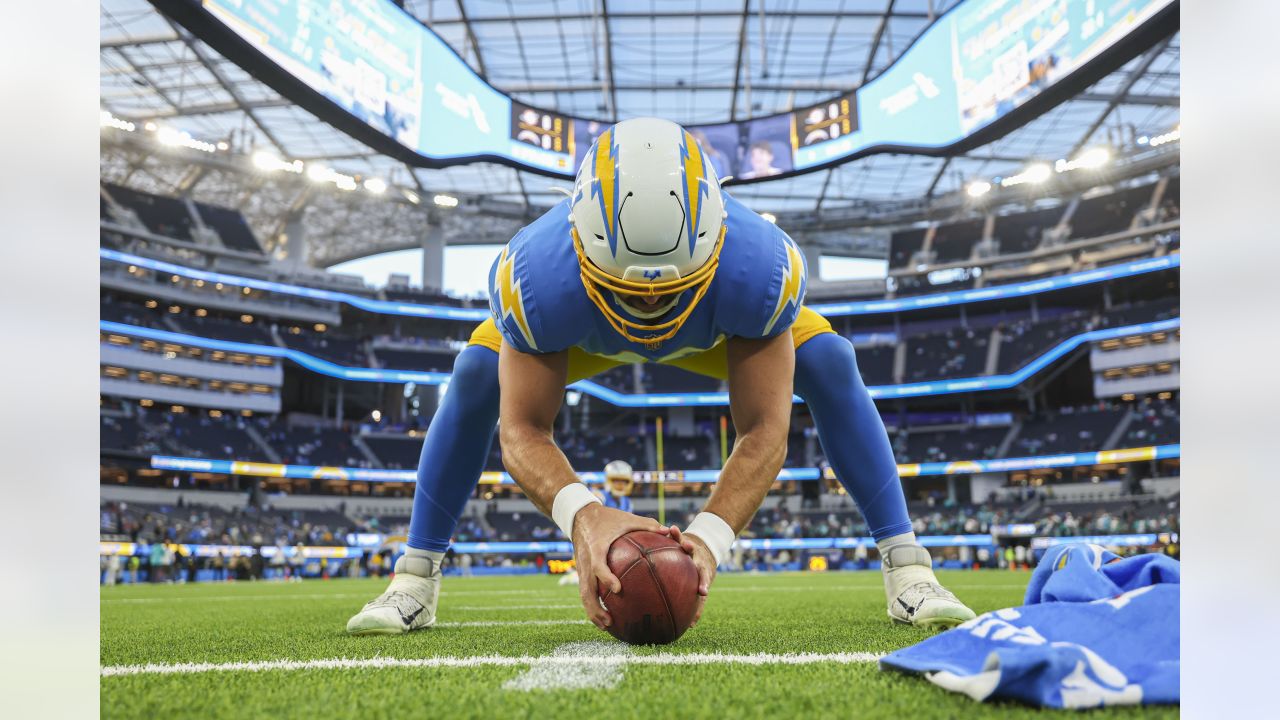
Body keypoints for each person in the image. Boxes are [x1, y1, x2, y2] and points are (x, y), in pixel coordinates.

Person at [346, 117, 974, 636]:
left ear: (717, 236)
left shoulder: (757, 270)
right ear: (581, 238)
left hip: (712, 328)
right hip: (590, 331)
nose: (648, 306)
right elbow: (522, 432)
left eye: (667, 290)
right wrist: (586, 516)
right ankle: (415, 577)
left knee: (831, 360)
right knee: (477, 371)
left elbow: (765, 430)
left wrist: (707, 538)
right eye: (629, 289)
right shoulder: (538, 279)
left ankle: (906, 566)